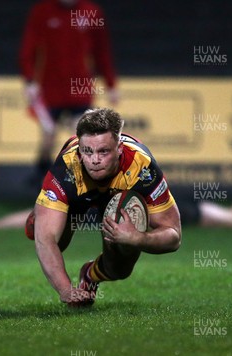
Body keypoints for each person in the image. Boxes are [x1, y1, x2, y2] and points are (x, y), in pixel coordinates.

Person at [22, 108, 181, 307]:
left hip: (121, 196)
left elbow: (174, 236)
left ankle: (89, 274)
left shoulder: (143, 168)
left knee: (120, 270)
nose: (95, 160)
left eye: (103, 151)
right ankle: (40, 217)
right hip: (77, 197)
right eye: (87, 151)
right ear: (80, 151)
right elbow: (46, 241)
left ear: (119, 149)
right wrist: (66, 290)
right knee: (51, 238)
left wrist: (138, 238)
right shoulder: (66, 168)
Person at [0, 152, 232, 230]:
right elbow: (40, 216)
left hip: (164, 209)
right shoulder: (82, 205)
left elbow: (38, 216)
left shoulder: (84, 204)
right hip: (157, 207)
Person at [19, 0, 119, 184]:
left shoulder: (91, 12)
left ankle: (81, 184)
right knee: (48, 138)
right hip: (50, 90)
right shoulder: (42, 11)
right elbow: (29, 48)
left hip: (80, 90)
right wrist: (29, 80)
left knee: (80, 136)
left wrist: (111, 84)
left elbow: (101, 51)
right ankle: (41, 177)